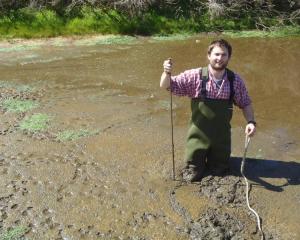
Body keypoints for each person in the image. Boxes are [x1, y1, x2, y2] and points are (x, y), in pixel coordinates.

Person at [160, 39, 256, 182]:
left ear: (229, 57)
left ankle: (218, 163)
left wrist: (251, 122)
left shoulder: (235, 80)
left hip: (221, 139)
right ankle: (195, 165)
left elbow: (246, 103)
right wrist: (166, 72)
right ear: (209, 55)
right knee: (192, 174)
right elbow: (166, 85)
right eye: (216, 54)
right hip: (197, 138)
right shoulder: (194, 76)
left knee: (220, 171)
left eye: (224, 55)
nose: (219, 58)